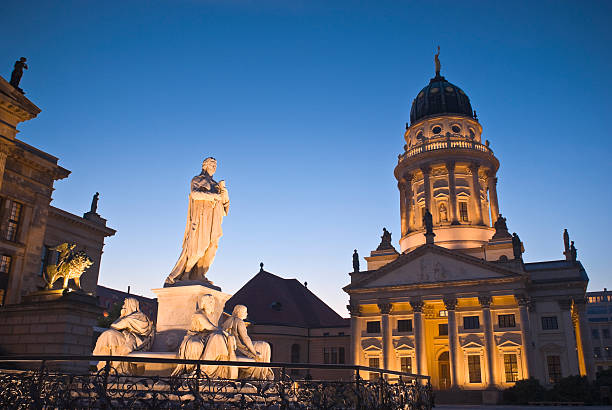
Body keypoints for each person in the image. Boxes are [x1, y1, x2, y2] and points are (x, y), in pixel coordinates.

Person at [165, 157, 230, 285]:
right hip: (202, 217)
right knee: (199, 247)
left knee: (212, 247)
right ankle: (187, 273)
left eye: (215, 165)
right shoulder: (197, 180)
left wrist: (223, 191)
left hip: (214, 218)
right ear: (204, 166)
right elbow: (195, 194)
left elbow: (225, 204)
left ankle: (200, 274)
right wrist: (214, 196)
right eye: (212, 164)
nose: (214, 167)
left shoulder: (216, 185)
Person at [172, 294, 233, 377]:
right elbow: (210, 327)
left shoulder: (212, 315)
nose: (213, 304)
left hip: (206, 337)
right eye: (210, 302)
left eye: (213, 302)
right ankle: (198, 370)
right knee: (196, 344)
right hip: (195, 336)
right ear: (204, 303)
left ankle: (206, 369)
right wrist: (227, 333)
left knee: (218, 337)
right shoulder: (199, 314)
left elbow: (214, 328)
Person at [93, 298, 154, 373]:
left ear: (131, 305)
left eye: (125, 304)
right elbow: (113, 327)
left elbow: (114, 326)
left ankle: (111, 369)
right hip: (128, 338)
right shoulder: (131, 317)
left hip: (137, 341)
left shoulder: (136, 316)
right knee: (110, 335)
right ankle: (106, 368)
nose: (123, 306)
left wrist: (122, 316)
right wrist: (122, 316)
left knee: (110, 334)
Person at [222, 305, 273, 380]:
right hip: (239, 349)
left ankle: (263, 372)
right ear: (240, 312)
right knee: (264, 346)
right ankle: (262, 374)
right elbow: (246, 339)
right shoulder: (239, 322)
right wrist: (255, 353)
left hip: (234, 347)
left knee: (262, 346)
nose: (247, 314)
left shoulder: (228, 321)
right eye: (245, 312)